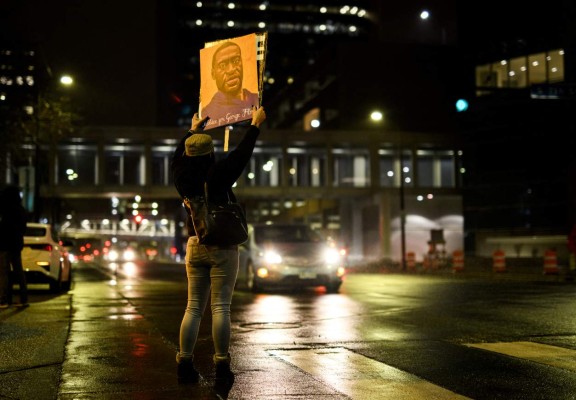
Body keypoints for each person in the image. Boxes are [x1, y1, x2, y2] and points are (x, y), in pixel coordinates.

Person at [171, 105, 266, 384]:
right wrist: (255, 125)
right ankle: (222, 365)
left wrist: (191, 130)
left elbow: (177, 156)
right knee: (221, 307)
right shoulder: (218, 174)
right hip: (222, 246)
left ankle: (184, 363)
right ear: (210, 153)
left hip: (194, 243)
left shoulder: (180, 175)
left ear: (188, 154)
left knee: (193, 307)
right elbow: (242, 155)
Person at [200, 40, 260, 129]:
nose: (231, 70)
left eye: (236, 61)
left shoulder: (256, 99)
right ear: (213, 74)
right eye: (223, 65)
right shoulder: (207, 113)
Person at [0, 186, 28, 308]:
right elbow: (23, 228)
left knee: (3, 273)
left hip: (4, 244)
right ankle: (23, 299)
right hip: (16, 245)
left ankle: (4, 300)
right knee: (18, 272)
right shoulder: (20, 210)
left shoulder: (4, 209)